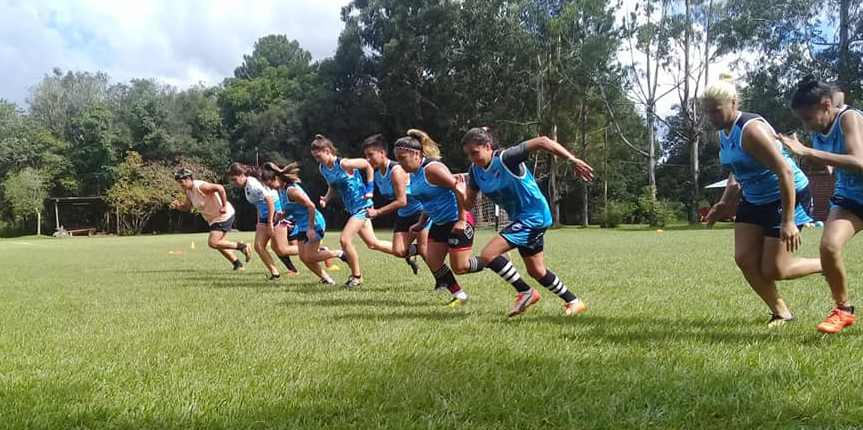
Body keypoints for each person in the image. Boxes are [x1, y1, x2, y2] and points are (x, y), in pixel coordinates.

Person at [701, 73, 821, 327]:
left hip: (786, 194)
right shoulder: (725, 132)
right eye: (708, 112)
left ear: (733, 103)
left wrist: (788, 220)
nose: (712, 117)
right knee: (744, 258)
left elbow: (785, 171)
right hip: (755, 198)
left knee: (776, 269)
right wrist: (723, 203)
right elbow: (738, 168)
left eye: (716, 111)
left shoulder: (752, 130)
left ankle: (827, 264)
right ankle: (782, 314)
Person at [460, 127, 593, 317]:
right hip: (523, 219)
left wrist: (571, 159)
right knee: (537, 271)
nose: (472, 158)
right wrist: (459, 190)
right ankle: (574, 301)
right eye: (468, 155)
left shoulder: (506, 158)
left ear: (488, 147)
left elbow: (543, 141)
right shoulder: (475, 171)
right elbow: (467, 203)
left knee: (488, 254)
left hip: (534, 217)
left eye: (475, 152)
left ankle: (525, 292)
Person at [776, 75, 863, 333]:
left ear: (826, 106)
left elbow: (859, 162)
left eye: (809, 118)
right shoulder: (824, 123)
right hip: (850, 198)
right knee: (828, 246)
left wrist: (806, 152)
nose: (807, 125)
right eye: (802, 119)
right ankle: (843, 310)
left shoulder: (849, 118)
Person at [394, 129, 484, 306]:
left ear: (416, 154)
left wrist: (461, 219)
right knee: (433, 262)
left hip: (456, 220)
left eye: (402, 158)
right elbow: (429, 201)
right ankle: (460, 295)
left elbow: (458, 189)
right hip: (439, 222)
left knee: (460, 267)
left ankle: (492, 259)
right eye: (398, 159)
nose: (400, 163)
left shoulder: (433, 168)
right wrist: (421, 223)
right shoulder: (414, 174)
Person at [311, 134, 393, 288]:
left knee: (345, 239)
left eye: (319, 156)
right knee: (373, 243)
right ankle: (407, 252)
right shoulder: (323, 168)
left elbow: (367, 165)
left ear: (328, 150)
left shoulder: (344, 163)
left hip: (363, 205)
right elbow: (333, 186)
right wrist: (326, 198)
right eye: (315, 157)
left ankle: (356, 277)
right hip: (352, 208)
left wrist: (370, 189)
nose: (317, 159)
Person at [261, 162, 348, 285]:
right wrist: (282, 215)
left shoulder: (292, 191)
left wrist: (311, 229)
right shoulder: (281, 190)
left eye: (270, 184)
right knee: (303, 257)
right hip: (302, 226)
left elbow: (311, 206)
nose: (271, 188)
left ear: (277, 178)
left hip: (314, 224)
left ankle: (340, 253)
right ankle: (327, 280)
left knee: (309, 256)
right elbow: (292, 208)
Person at [362, 134, 429, 275]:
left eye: (370, 155)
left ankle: (443, 282)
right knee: (398, 251)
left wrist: (378, 212)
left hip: (420, 211)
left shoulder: (396, 170)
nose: (368, 159)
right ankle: (417, 250)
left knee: (425, 251)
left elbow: (401, 200)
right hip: (404, 214)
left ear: (382, 153)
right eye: (366, 156)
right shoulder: (377, 175)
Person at [169, 168, 252, 270]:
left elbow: (220, 188)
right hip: (213, 219)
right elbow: (187, 207)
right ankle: (238, 264)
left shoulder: (200, 186)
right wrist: (178, 206)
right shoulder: (189, 192)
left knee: (213, 242)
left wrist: (224, 206)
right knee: (218, 243)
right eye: (179, 182)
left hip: (223, 215)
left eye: (181, 181)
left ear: (188, 179)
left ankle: (243, 247)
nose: (180, 184)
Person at [227, 162, 297, 280]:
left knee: (281, 249)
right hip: (264, 217)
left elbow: (269, 201)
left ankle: (316, 251)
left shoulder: (253, 184)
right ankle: (275, 274)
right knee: (259, 246)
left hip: (275, 215)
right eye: (231, 181)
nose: (233, 183)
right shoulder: (247, 186)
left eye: (234, 179)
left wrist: (270, 223)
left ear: (242, 174)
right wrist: (259, 222)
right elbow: (259, 204)